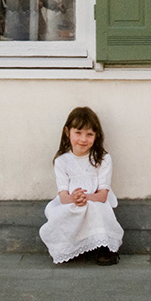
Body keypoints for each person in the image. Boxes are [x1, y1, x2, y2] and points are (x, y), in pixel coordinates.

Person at [39, 106, 123, 265]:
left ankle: (105, 248)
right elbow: (63, 195)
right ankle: (69, 247)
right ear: (67, 132)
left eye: (89, 134)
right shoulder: (62, 161)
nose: (83, 139)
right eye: (78, 133)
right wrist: (73, 198)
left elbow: (103, 194)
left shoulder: (102, 159)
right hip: (72, 201)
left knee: (97, 208)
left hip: (95, 200)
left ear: (96, 136)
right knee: (64, 213)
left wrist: (86, 197)